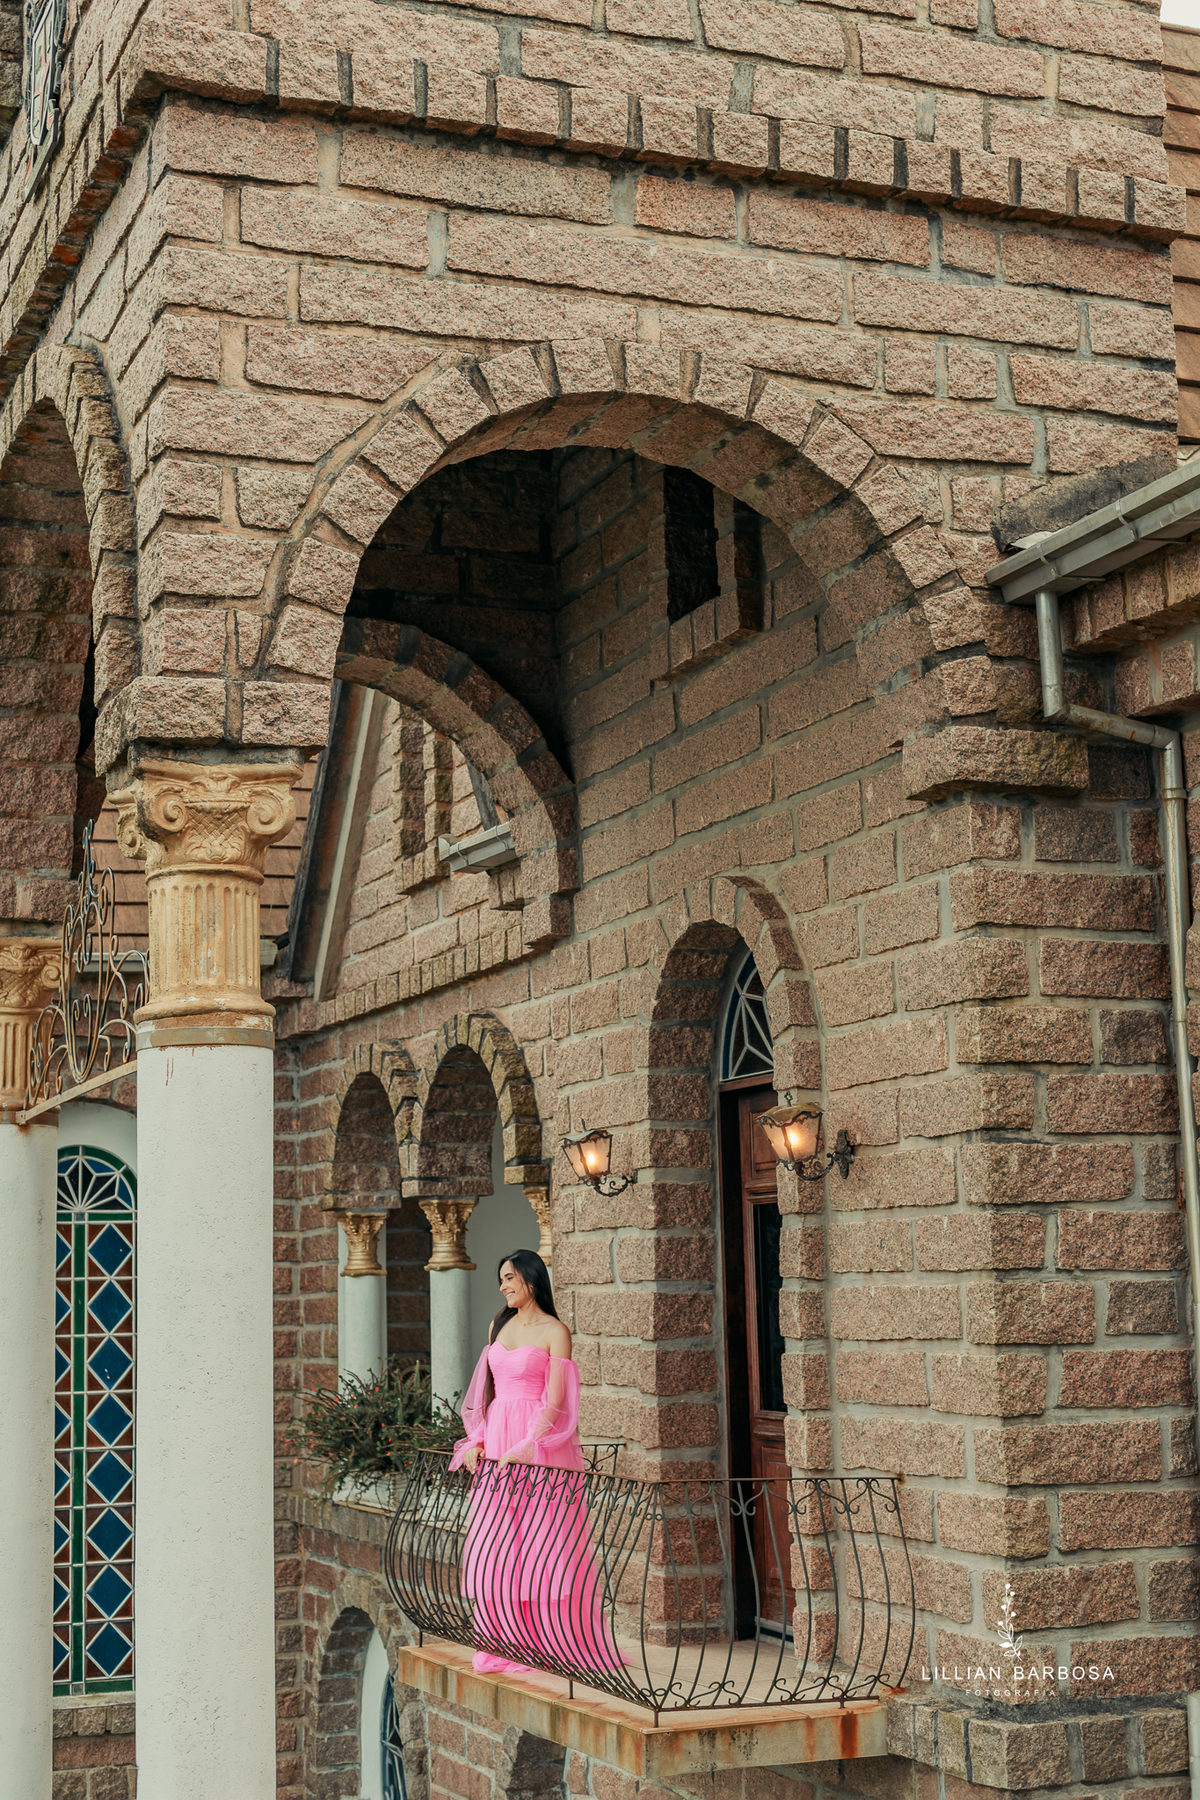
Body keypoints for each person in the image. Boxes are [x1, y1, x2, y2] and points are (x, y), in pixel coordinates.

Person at [449, 1248, 625, 1678]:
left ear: (530, 1279)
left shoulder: (555, 1331)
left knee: (543, 1536)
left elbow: (557, 1400)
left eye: (509, 1278)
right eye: (501, 1280)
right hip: (498, 1439)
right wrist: (477, 1440)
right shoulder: (498, 1325)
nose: (503, 1287)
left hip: (538, 1443)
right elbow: (486, 1392)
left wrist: (530, 1445)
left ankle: (550, 1639)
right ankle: (505, 1639)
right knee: (499, 1539)